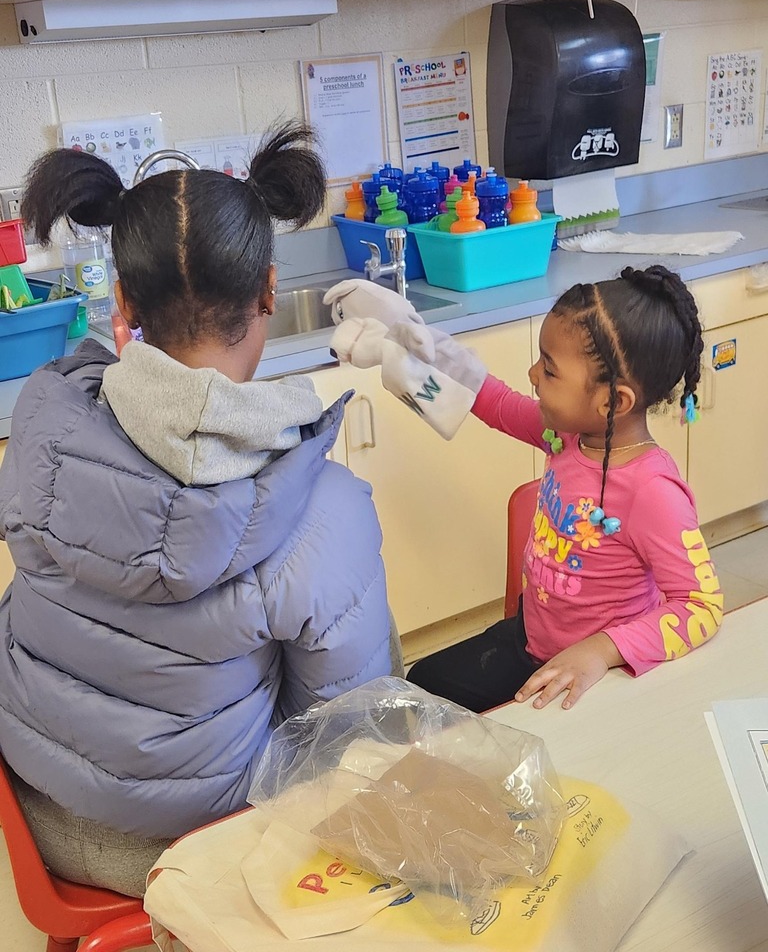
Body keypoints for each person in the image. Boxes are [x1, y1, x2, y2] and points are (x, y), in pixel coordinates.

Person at [0, 122, 397, 897]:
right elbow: (341, 737)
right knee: (369, 651)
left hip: (35, 810)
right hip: (190, 846)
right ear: (271, 294)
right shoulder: (322, 505)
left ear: (120, 302)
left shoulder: (43, 432)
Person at [325, 266, 723, 714]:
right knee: (422, 686)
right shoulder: (569, 433)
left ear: (612, 401)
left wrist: (601, 651)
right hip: (531, 641)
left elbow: (701, 607)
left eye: (550, 371)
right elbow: (491, 399)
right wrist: (418, 341)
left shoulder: (653, 492)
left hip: (599, 675)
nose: (533, 374)